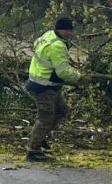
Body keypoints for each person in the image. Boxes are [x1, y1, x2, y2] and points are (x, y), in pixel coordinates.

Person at [24, 18, 89, 161]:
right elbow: (63, 72)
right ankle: (33, 151)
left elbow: (36, 44)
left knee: (62, 111)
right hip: (44, 86)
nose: (69, 34)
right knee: (45, 119)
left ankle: (40, 138)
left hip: (46, 82)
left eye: (71, 31)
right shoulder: (57, 46)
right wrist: (80, 78)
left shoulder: (49, 35)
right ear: (60, 30)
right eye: (67, 31)